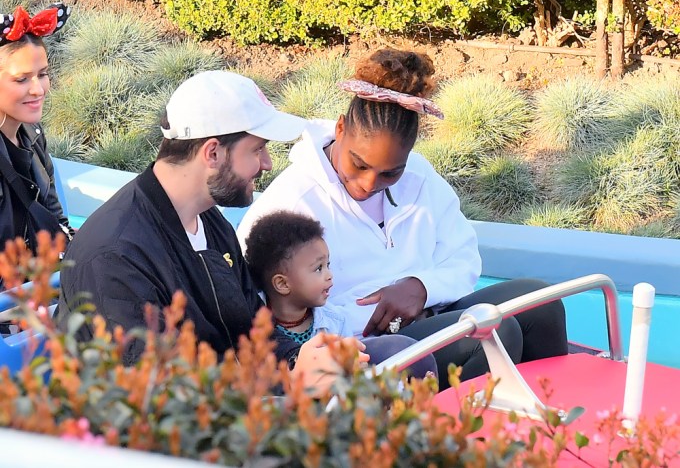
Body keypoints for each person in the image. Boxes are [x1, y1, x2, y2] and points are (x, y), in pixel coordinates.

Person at [57, 70, 420, 394]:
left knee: (402, 358)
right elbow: (162, 388)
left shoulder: (209, 220)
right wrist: (290, 382)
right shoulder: (115, 255)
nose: (267, 163)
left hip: (242, 402)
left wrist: (300, 359)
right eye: (258, 149)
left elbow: (253, 328)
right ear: (213, 153)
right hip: (178, 435)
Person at [236, 48, 568, 388]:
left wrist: (421, 287)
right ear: (340, 127)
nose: (368, 184)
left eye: (389, 174)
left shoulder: (420, 178)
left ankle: (560, 422)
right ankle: (456, 438)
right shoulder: (292, 201)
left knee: (540, 303)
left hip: (436, 314)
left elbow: (464, 257)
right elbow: (260, 307)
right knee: (492, 332)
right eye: (359, 164)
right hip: (365, 346)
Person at [245, 209, 436, 378]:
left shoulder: (335, 322)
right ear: (282, 284)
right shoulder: (251, 322)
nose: (329, 275)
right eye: (318, 268)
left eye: (328, 265)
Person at [0, 3, 74, 259]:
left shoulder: (32, 133)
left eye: (42, 74)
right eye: (21, 79)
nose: (38, 89)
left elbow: (55, 216)